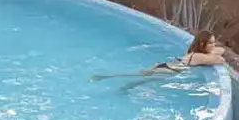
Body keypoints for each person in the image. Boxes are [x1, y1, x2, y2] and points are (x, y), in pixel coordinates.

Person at [91, 30, 227, 81]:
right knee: (137, 77)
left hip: (167, 65)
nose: (214, 46)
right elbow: (220, 59)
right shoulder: (198, 56)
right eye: (211, 43)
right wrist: (211, 53)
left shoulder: (193, 52)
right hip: (168, 70)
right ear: (203, 44)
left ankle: (105, 77)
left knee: (139, 76)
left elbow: (221, 50)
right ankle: (104, 77)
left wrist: (211, 50)